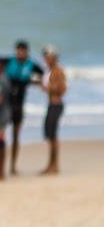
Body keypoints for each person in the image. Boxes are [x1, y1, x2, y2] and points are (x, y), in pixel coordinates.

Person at [4, 40, 43, 175]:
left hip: (19, 106)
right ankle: (0, 166)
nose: (19, 53)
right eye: (17, 50)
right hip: (6, 105)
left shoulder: (32, 65)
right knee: (0, 135)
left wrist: (35, 82)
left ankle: (13, 166)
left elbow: (46, 75)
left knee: (15, 136)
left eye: (22, 51)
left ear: (27, 51)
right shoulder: (10, 62)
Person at [40, 45, 66, 174]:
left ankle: (54, 165)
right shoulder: (49, 70)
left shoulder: (58, 70)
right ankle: (51, 164)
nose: (46, 59)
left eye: (48, 56)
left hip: (56, 104)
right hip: (51, 103)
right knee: (50, 136)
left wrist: (48, 88)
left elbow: (62, 88)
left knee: (53, 136)